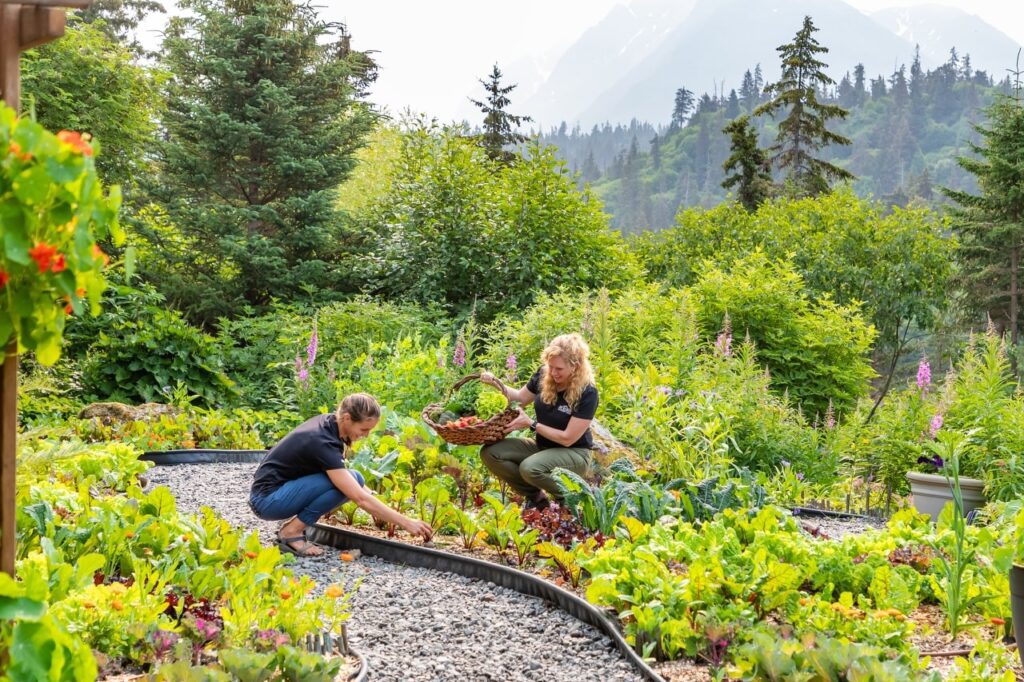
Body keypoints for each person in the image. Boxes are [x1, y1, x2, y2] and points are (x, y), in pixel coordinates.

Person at [249, 393, 433, 556]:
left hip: (277, 492)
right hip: (268, 501)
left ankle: (293, 529)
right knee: (349, 485)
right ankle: (291, 533)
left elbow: (351, 481)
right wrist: (407, 522)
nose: (366, 435)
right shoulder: (322, 441)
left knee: (356, 479)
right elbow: (359, 498)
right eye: (363, 429)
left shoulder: (329, 423)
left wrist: (372, 495)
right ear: (346, 418)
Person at [479, 333, 599, 510]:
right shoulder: (545, 376)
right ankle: (536, 498)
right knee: (491, 452)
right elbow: (519, 398)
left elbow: (568, 438)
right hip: (544, 448)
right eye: (550, 366)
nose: (552, 372)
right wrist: (495, 382)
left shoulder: (588, 392)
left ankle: (571, 497)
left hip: (574, 453)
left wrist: (532, 424)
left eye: (559, 369)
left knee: (530, 468)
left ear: (576, 367)